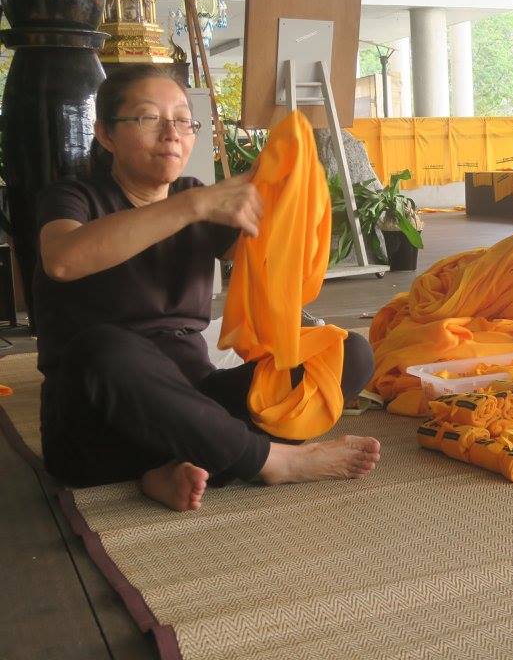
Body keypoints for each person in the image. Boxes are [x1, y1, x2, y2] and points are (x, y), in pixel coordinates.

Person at [35, 65, 381, 512]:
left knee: (346, 352)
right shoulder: (74, 197)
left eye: (182, 120)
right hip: (97, 418)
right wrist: (191, 206)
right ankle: (269, 461)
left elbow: (266, 256)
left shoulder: (194, 196)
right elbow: (63, 260)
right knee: (103, 347)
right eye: (149, 118)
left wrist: (282, 187)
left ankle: (167, 468)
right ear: (105, 134)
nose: (171, 134)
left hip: (195, 398)